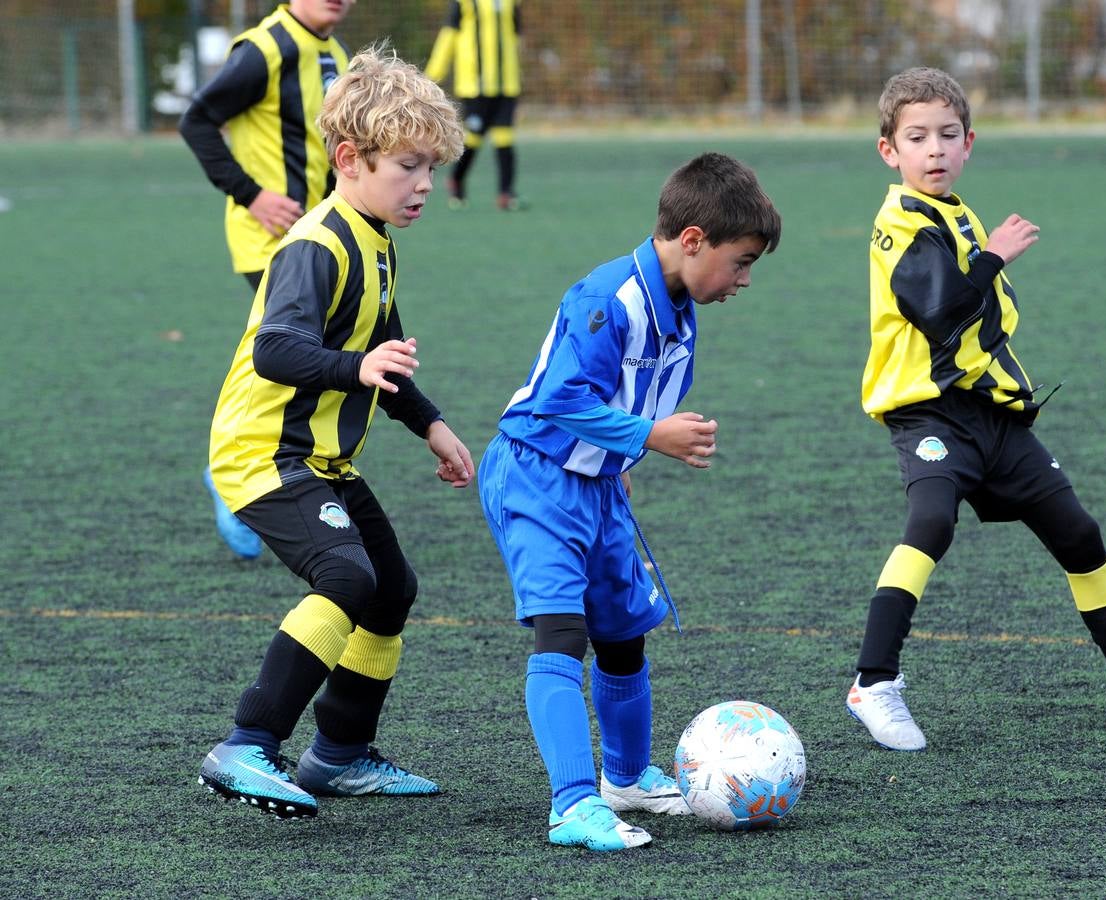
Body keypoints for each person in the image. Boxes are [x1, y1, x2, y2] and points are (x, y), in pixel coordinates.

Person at [847, 67, 1106, 752]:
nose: (934, 150)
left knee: (1078, 534)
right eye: (916, 137)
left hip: (993, 419)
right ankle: (873, 682)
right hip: (929, 418)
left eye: (947, 136)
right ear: (887, 151)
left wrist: (984, 258)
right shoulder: (898, 224)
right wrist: (989, 259)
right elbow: (937, 313)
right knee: (930, 520)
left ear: (968, 143)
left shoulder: (953, 211)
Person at [197, 46, 471, 819]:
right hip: (262, 453)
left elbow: (383, 356)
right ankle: (246, 743)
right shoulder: (317, 245)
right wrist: (356, 367)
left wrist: (432, 425)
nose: (423, 184)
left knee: (391, 591)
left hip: (319, 457)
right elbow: (276, 351)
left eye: (430, 167)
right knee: (347, 579)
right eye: (408, 167)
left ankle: (339, 757)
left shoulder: (375, 239)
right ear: (350, 159)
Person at [478, 153, 781, 850]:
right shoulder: (609, 297)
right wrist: (649, 435)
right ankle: (572, 804)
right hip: (536, 476)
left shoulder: (681, 307)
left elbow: (624, 395)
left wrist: (622, 459)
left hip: (597, 485)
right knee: (563, 634)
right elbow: (559, 399)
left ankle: (625, 779)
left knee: (622, 636)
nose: (743, 280)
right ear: (694, 239)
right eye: (739, 262)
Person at [180, 0, 354, 560]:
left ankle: (277, 478)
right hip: (271, 242)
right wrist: (251, 194)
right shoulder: (264, 50)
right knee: (293, 357)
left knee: (314, 358)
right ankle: (236, 481)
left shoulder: (335, 53)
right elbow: (197, 120)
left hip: (320, 238)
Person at [424, 0, 525, 211]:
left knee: (505, 137)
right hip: (474, 86)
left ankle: (506, 193)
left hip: (506, 84)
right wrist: (432, 76)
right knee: (473, 138)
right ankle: (457, 182)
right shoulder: (464, 3)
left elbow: (516, 37)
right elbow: (448, 37)